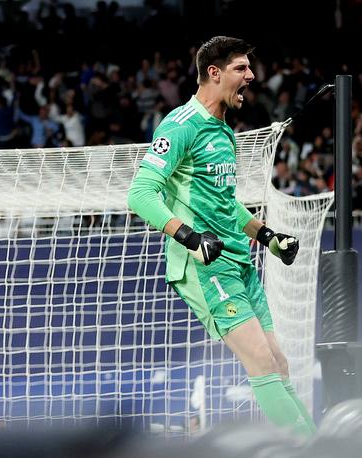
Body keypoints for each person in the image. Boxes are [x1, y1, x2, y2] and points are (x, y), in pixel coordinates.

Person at [127, 36, 314, 436]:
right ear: (214, 73)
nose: (251, 76)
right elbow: (140, 194)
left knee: (280, 363)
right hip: (204, 266)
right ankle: (310, 447)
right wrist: (192, 239)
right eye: (241, 69)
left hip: (239, 263)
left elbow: (226, 204)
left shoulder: (225, 133)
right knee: (262, 363)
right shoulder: (180, 126)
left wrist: (267, 237)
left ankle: (315, 441)